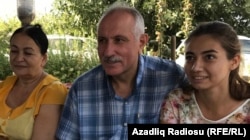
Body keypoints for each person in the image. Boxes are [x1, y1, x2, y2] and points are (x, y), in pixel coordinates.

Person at [56, 1, 188, 140]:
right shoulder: (82, 90)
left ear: (141, 42)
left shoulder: (171, 78)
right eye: (102, 40)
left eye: (119, 40)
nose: (108, 52)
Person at [160, 21, 250, 124]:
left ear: (234, 62)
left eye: (209, 57)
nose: (195, 67)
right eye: (190, 57)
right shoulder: (177, 102)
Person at [0, 24, 68, 140]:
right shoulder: (5, 86)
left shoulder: (53, 91)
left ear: (43, 58)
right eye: (14, 51)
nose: (18, 58)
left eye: (28, 53)